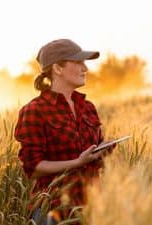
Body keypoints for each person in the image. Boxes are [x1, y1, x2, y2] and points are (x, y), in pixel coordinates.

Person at [14, 39, 114, 225]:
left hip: (90, 208)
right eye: (78, 62)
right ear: (58, 69)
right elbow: (33, 167)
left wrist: (102, 151)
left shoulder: (88, 108)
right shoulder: (35, 110)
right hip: (53, 211)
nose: (86, 68)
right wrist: (77, 162)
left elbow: (93, 158)